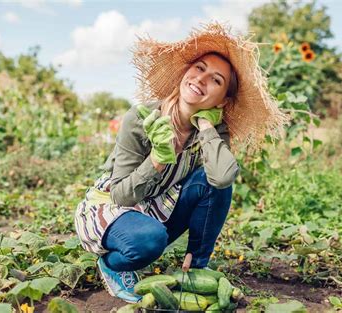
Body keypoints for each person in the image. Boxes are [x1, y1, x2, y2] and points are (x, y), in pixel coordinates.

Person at [74, 22, 288, 303]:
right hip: (113, 208)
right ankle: (113, 264)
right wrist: (157, 160)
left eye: (216, 80)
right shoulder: (141, 119)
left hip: (158, 206)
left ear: (222, 101)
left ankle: (196, 268)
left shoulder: (213, 130)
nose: (201, 79)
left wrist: (207, 128)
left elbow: (222, 179)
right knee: (148, 241)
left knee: (211, 179)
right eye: (199, 68)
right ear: (186, 73)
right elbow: (121, 195)